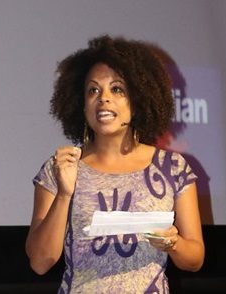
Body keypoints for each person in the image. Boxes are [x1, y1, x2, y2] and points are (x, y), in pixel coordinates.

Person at [25, 35, 204, 293]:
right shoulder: (60, 168)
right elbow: (41, 262)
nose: (104, 98)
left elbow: (195, 259)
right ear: (81, 104)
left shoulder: (172, 168)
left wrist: (174, 243)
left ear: (138, 99)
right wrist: (65, 193)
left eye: (117, 89)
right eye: (93, 90)